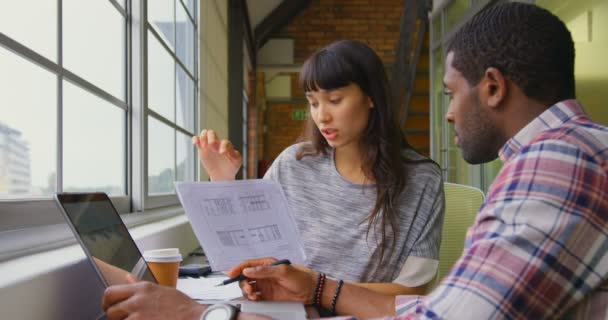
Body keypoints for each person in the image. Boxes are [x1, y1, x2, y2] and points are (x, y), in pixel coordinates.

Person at [101, 2, 608, 319]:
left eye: (452, 93)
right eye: (313, 101)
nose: (449, 113)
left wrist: (209, 315)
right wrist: (226, 187)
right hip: (286, 307)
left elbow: (428, 301)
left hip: (331, 312)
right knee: (122, 282)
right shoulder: (295, 162)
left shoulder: (548, 167)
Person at [192, 39, 445, 298]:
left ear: (371, 97)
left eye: (334, 100)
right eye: (313, 103)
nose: (321, 116)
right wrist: (222, 182)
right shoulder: (293, 165)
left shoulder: (421, 180)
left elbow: (412, 290)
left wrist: (315, 291)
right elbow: (249, 254)